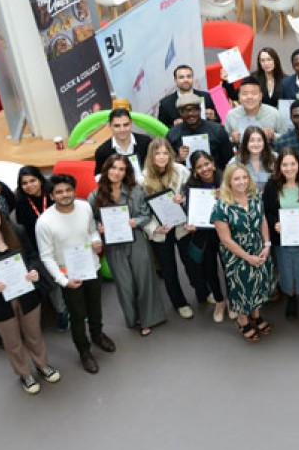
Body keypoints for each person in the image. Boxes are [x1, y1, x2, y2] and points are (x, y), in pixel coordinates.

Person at [36, 174, 116, 374]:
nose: (65, 195)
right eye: (59, 192)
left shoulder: (85, 207)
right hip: (69, 275)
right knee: (78, 316)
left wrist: (96, 240)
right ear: (52, 196)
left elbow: (92, 231)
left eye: (68, 190)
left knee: (95, 308)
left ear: (74, 190)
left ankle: (97, 335)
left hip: (92, 267)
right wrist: (63, 281)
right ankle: (84, 351)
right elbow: (46, 257)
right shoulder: (44, 222)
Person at [89, 155, 166, 337]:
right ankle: (133, 318)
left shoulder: (136, 191)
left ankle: (149, 318)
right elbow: (92, 220)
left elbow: (146, 214)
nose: (116, 172)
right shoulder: (95, 195)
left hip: (136, 239)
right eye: (113, 168)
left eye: (121, 169)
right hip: (113, 245)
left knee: (144, 279)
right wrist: (99, 227)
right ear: (106, 169)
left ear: (126, 172)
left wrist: (135, 221)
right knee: (125, 284)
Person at [0, 201, 61, 394]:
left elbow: (32, 256)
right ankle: (25, 374)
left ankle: (42, 364)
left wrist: (33, 270)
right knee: (12, 342)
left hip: (26, 293)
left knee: (34, 334)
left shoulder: (16, 232)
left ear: (0, 216)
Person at [212, 164, 275, 342]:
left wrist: (267, 244)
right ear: (229, 182)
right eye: (237, 179)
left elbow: (262, 220)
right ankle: (242, 320)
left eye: (244, 178)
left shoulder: (255, 197)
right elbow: (226, 240)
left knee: (258, 283)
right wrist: (248, 257)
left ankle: (255, 315)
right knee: (241, 288)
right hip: (237, 255)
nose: (241, 182)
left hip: (258, 248)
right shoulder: (221, 206)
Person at [263, 147, 299, 321]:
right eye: (285, 165)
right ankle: (290, 296)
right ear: (279, 166)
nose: (289, 168)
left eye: (292, 164)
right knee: (286, 268)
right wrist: (275, 224)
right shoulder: (272, 185)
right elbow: (268, 211)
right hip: (283, 238)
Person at [141, 138, 198, 319]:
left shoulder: (181, 171)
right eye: (157, 153)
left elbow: (193, 196)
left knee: (192, 262)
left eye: (165, 153)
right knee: (168, 269)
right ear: (151, 155)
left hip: (181, 225)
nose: (162, 157)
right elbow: (140, 211)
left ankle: (203, 292)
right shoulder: (142, 179)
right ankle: (180, 303)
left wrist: (183, 200)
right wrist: (153, 229)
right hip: (161, 231)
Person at [14, 166, 69, 331]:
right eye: (24, 183)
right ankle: (62, 311)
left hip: (64, 243)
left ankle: (77, 307)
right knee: (53, 282)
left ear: (40, 179)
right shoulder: (22, 204)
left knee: (71, 275)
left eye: (32, 180)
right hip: (41, 250)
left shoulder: (53, 195)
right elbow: (26, 234)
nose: (29, 185)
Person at [185, 151, 228, 322]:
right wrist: (191, 224)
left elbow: (237, 204)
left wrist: (224, 196)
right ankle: (219, 301)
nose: (204, 169)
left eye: (206, 164)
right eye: (199, 167)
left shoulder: (225, 180)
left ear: (213, 163)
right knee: (210, 270)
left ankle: (233, 301)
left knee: (229, 268)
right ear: (194, 171)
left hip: (226, 233)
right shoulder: (191, 186)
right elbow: (190, 211)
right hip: (204, 235)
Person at [166, 93, 234, 168]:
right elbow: (167, 166)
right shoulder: (172, 135)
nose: (190, 114)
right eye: (186, 111)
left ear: (200, 110)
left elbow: (230, 161)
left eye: (194, 109)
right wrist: (179, 159)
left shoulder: (217, 130)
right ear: (180, 113)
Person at [93, 108, 151, 181]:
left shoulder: (145, 142)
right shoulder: (102, 151)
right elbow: (98, 176)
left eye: (126, 125)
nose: (122, 129)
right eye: (117, 126)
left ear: (131, 123)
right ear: (110, 125)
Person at [223, 77, 287, 144]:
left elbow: (285, 138)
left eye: (254, 93)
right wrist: (232, 139)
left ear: (260, 96)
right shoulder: (231, 115)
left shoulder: (274, 113)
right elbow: (224, 140)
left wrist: (273, 136)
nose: (249, 97)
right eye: (245, 94)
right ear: (239, 97)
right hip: (241, 152)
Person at [221, 47, 286, 107]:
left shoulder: (286, 80)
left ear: (275, 61)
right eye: (262, 60)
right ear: (259, 63)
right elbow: (235, 96)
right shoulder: (253, 78)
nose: (266, 63)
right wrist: (227, 80)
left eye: (269, 60)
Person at [234, 126, 276, 192]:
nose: (256, 144)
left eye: (259, 140)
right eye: (252, 140)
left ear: (264, 142)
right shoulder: (235, 162)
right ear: (246, 143)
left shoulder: (275, 158)